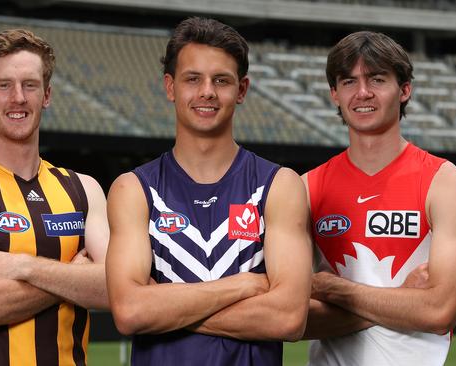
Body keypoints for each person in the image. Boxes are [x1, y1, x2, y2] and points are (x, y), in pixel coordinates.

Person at [105, 17, 311, 365]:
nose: (207, 92)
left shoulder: (279, 185)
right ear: (170, 87)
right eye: (192, 79)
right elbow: (129, 312)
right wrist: (242, 286)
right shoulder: (133, 189)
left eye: (221, 80)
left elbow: (288, 317)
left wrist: (165, 307)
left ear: (242, 90)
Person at [0, 29, 109, 365]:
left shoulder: (84, 189)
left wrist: (24, 267)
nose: (18, 98)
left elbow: (117, 289)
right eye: (3, 86)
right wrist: (74, 275)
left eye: (30, 85)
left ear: (47, 94)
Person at [301, 31, 456, 365]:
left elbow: (439, 312)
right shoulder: (307, 187)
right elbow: (288, 319)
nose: (362, 92)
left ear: (405, 89)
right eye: (349, 82)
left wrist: (335, 290)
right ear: (334, 94)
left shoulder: (446, 183)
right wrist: (402, 301)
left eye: (377, 79)